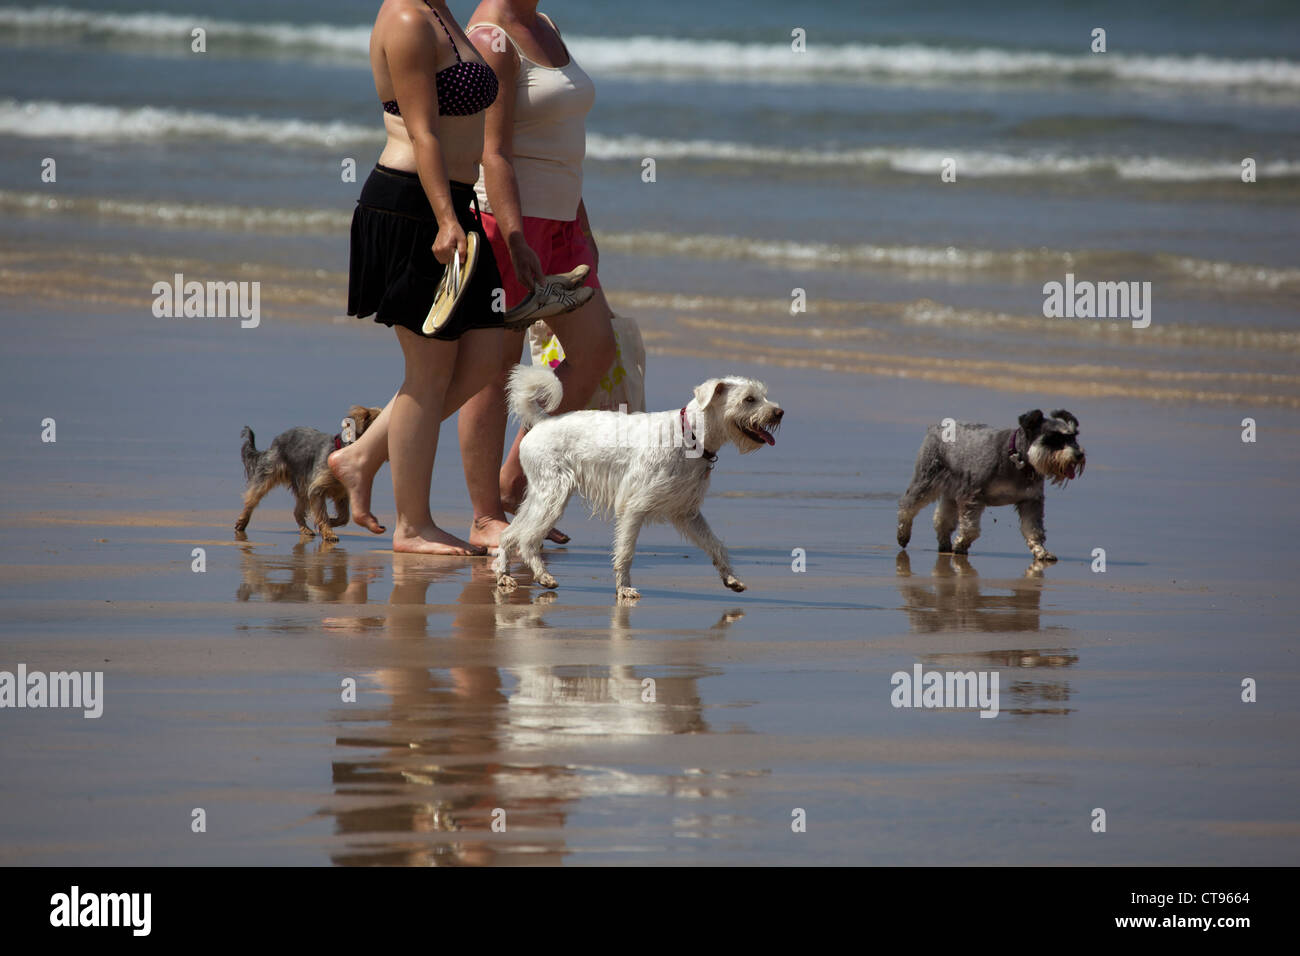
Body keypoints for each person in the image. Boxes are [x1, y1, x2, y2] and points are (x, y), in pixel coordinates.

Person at [330, 0, 506, 556]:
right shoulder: (407, 20)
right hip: (413, 207)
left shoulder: (441, 11)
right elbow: (424, 131)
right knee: (428, 372)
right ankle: (412, 526)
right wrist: (448, 219)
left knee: (490, 350)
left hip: (452, 202)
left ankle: (360, 456)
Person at [458, 0, 618, 552]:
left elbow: (560, 144)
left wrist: (582, 222)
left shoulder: (543, 23)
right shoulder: (490, 36)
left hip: (562, 224)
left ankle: (512, 483)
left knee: (597, 350)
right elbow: (491, 151)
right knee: (491, 368)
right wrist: (516, 234)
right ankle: (484, 518)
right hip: (510, 226)